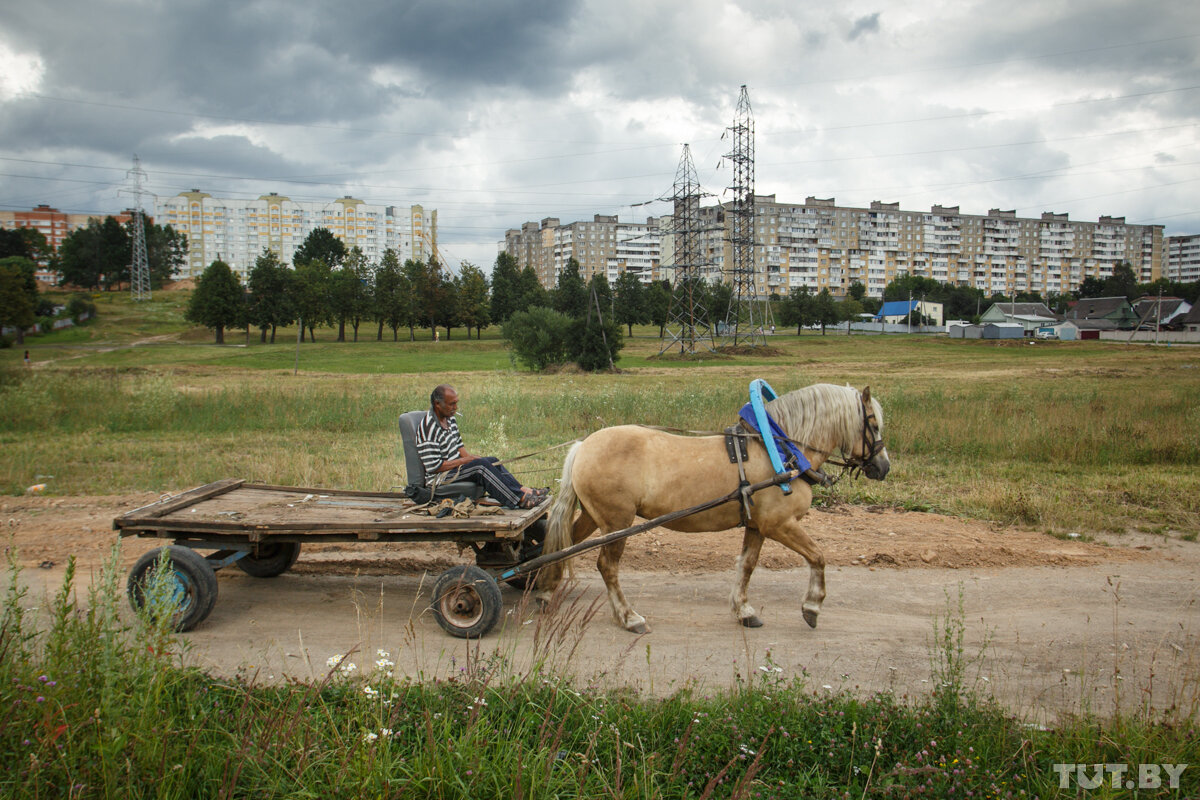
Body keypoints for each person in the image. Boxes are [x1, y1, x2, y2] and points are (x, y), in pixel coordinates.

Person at [414, 384, 547, 509]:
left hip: (455, 469)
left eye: (456, 403)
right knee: (480, 467)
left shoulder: (450, 419)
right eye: (452, 404)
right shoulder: (428, 428)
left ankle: (525, 490)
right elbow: (434, 467)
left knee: (492, 461)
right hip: (440, 477)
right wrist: (466, 461)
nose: (456, 407)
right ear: (438, 404)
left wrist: (473, 459)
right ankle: (520, 499)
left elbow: (460, 447)